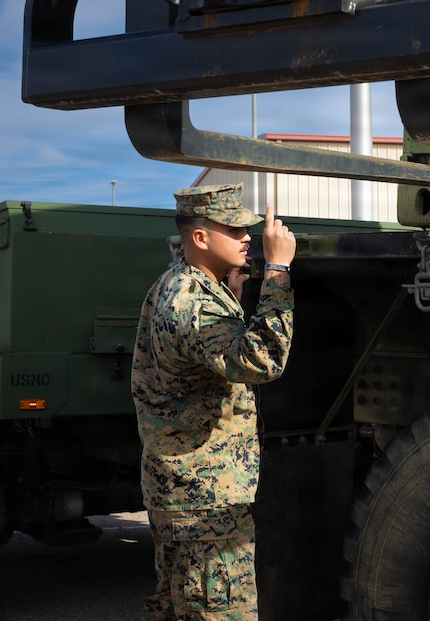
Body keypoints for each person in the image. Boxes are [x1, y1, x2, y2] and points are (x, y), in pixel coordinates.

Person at [131, 183, 297, 620]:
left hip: (185, 493)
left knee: (176, 607)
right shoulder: (196, 305)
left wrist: (233, 303)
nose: (247, 236)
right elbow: (263, 361)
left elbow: (205, 360)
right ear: (200, 237)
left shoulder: (180, 285)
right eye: (235, 227)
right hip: (205, 502)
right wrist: (278, 269)